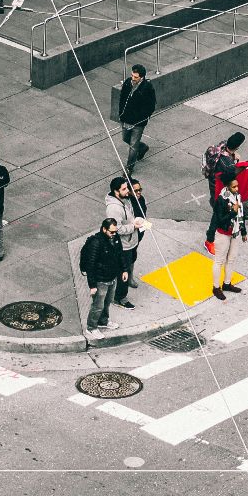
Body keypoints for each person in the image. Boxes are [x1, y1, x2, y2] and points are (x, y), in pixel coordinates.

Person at [104, 177, 145, 309]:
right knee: (123, 271)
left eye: (127, 187)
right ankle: (120, 297)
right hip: (124, 245)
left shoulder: (124, 199)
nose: (128, 191)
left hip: (130, 242)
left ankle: (119, 291)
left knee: (127, 267)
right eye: (124, 189)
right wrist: (134, 227)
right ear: (116, 191)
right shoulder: (114, 209)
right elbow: (118, 229)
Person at [80, 218, 125, 331]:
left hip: (112, 277)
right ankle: (91, 328)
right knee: (98, 306)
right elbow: (91, 266)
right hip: (101, 280)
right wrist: (92, 286)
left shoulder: (115, 237)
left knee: (107, 302)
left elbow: (120, 254)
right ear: (104, 229)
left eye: (115, 231)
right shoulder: (96, 242)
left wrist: (124, 270)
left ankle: (103, 321)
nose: (114, 234)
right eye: (111, 232)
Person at [205, 180, 245, 301]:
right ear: (227, 187)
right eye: (234, 187)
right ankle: (216, 287)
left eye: (237, 186)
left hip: (235, 232)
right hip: (223, 233)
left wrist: (244, 231)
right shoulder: (221, 200)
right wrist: (233, 212)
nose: (237, 188)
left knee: (231, 259)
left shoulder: (238, 196)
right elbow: (220, 219)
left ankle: (227, 284)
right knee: (219, 261)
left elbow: (242, 215)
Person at [116, 64, 157, 171]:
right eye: (132, 76)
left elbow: (151, 106)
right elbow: (122, 99)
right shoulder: (127, 83)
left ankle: (129, 169)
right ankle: (142, 147)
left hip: (138, 122)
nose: (133, 79)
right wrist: (121, 113)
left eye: (136, 77)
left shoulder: (147, 88)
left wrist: (143, 117)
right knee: (125, 138)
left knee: (133, 146)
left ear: (142, 77)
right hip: (126, 118)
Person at [204, 131, 245, 199]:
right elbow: (231, 176)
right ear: (237, 147)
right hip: (218, 183)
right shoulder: (229, 165)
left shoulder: (218, 146)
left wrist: (233, 154)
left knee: (214, 195)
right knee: (221, 199)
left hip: (211, 176)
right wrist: (242, 167)